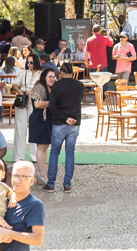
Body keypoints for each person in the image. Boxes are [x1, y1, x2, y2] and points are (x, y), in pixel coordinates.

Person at [0, 160, 45, 251]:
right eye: (15, 175)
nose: (17, 180)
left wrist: (9, 234)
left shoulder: (35, 205)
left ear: (31, 181)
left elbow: (38, 240)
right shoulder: (2, 200)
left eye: (23, 177)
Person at [45, 63, 83, 193]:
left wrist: (65, 118)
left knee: (54, 152)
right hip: (75, 123)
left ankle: (51, 183)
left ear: (61, 72)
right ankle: (67, 184)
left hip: (60, 123)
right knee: (70, 153)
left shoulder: (57, 85)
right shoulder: (79, 85)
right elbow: (78, 101)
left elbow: (52, 106)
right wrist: (70, 118)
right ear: (72, 72)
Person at [11, 53, 41, 163]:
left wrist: (32, 92)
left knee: (34, 128)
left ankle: (34, 156)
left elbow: (44, 87)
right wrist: (20, 92)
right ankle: (18, 156)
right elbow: (14, 84)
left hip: (35, 101)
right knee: (20, 127)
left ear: (36, 62)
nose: (29, 64)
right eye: (27, 62)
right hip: (23, 100)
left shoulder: (41, 74)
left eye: (31, 62)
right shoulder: (23, 72)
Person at [28, 68, 56, 185]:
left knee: (45, 147)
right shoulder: (38, 87)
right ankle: (41, 174)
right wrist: (52, 102)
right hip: (39, 120)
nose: (52, 79)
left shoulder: (52, 89)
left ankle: (42, 173)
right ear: (44, 77)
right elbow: (38, 104)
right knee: (41, 147)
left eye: (53, 77)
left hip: (48, 120)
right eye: (50, 76)